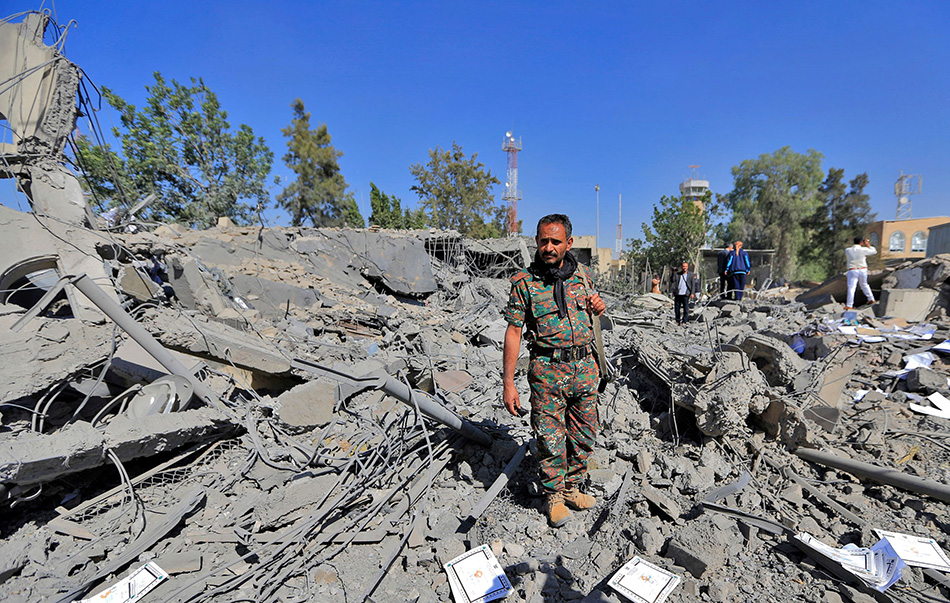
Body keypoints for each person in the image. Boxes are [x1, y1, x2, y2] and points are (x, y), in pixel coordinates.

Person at [502, 214, 606, 527]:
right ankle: (555, 496)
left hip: (585, 369)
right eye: (544, 240)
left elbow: (593, 311)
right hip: (547, 371)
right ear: (536, 241)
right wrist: (508, 382)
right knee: (550, 439)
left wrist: (599, 307)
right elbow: (513, 332)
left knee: (584, 434)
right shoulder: (525, 283)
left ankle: (573, 487)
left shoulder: (583, 276)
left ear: (568, 244)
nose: (549, 247)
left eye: (555, 241)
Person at [845, 235, 877, 310]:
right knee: (864, 284)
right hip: (862, 269)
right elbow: (874, 251)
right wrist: (868, 245)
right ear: (862, 242)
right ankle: (871, 299)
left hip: (852, 269)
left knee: (852, 288)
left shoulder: (848, 250)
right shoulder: (863, 250)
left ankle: (849, 305)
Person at [669, 261, 697, 325]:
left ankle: (684, 321)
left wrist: (692, 293)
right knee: (677, 309)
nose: (684, 268)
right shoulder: (678, 274)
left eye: (685, 266)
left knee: (686, 309)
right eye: (683, 266)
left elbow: (693, 285)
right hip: (678, 294)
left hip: (686, 294)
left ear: (687, 267)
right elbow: (672, 280)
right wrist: (673, 272)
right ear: (682, 267)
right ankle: (677, 321)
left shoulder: (691, 275)